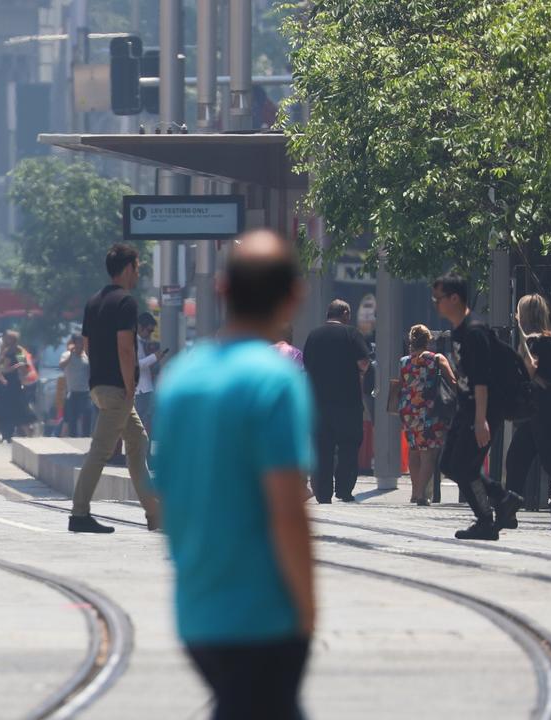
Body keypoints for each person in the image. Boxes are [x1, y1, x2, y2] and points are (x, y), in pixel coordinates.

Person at [152, 229, 314, 719]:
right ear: (293, 297)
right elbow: (288, 510)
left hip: (198, 617)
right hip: (263, 616)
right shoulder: (276, 380)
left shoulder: (180, 379)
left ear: (221, 291)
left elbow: (165, 501)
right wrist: (307, 609)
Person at [70, 243, 161, 533]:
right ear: (127, 268)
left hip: (99, 385)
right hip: (118, 387)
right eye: (137, 268)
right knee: (101, 450)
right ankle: (79, 513)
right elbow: (125, 348)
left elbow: (86, 346)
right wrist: (130, 385)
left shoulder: (94, 301)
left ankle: (155, 512)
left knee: (138, 441)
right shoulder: (126, 302)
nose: (138, 274)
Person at [434, 274, 524, 540]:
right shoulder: (460, 331)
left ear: (454, 298)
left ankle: (486, 521)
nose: (435, 304)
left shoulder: (475, 331)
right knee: (450, 464)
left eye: (439, 298)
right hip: (466, 409)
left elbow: (482, 380)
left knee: (465, 466)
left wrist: (480, 419)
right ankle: (503, 498)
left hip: (483, 409)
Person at [504, 294, 551, 520]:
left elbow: (529, 372)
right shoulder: (546, 340)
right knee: (517, 458)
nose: (516, 316)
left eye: (519, 311)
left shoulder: (537, 341)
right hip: (539, 408)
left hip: (539, 409)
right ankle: (508, 512)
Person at [303, 300, 370, 503]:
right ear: (345, 313)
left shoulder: (313, 335)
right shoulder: (352, 334)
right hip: (347, 401)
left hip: (318, 403)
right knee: (348, 445)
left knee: (323, 448)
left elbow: (306, 363)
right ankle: (344, 489)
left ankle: (323, 493)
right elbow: (363, 362)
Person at [389, 324, 456, 505]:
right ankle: (421, 494)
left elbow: (403, 384)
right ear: (428, 341)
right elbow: (453, 381)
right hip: (429, 410)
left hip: (409, 410)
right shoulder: (436, 359)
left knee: (414, 450)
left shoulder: (403, 361)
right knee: (429, 453)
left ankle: (414, 491)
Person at [0, 330, 36, 441]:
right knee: (4, 410)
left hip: (14, 385)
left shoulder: (18, 352)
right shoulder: (6, 351)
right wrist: (11, 367)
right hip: (6, 385)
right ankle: (5, 434)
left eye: (8, 339)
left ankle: (28, 433)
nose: (6, 341)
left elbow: (23, 368)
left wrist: (16, 367)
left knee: (19, 409)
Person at [135, 313, 168, 434]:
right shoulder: (133, 342)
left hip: (145, 387)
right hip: (140, 389)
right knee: (141, 422)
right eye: (149, 330)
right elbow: (135, 365)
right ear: (139, 326)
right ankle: (141, 451)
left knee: (146, 421)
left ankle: (144, 451)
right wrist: (154, 357)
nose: (150, 334)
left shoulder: (142, 342)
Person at [60, 334, 92, 437]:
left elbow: (25, 367)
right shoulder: (67, 354)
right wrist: (70, 353)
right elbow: (61, 365)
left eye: (81, 342)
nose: (80, 345)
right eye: (78, 342)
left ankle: (86, 436)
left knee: (87, 413)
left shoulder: (86, 356)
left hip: (85, 391)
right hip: (72, 391)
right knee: (72, 417)